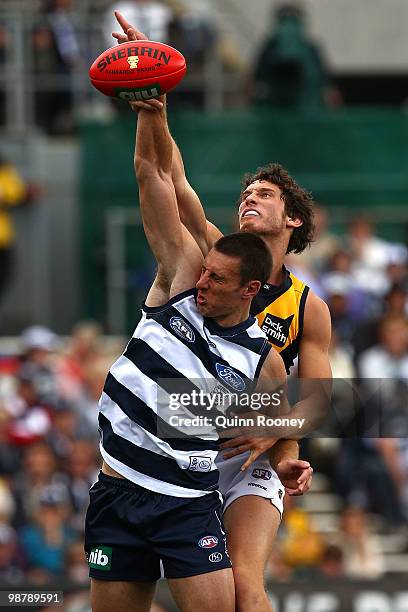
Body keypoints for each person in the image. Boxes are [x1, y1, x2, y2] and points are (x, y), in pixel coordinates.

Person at [112, 13, 330, 612]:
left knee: (245, 589)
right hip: (191, 443)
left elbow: (315, 401)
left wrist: (278, 436)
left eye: (262, 194)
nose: (247, 200)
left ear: (293, 221)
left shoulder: (310, 307)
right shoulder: (216, 258)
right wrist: (148, 85)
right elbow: (169, 179)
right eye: (244, 195)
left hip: (251, 448)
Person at [84, 88, 298, 611]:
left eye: (217, 280)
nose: (202, 283)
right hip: (118, 491)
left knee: (243, 599)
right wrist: (150, 111)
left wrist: (277, 437)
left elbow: (297, 408)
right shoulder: (180, 281)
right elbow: (156, 176)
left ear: (250, 290)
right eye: (204, 272)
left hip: (188, 504)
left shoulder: (263, 355)